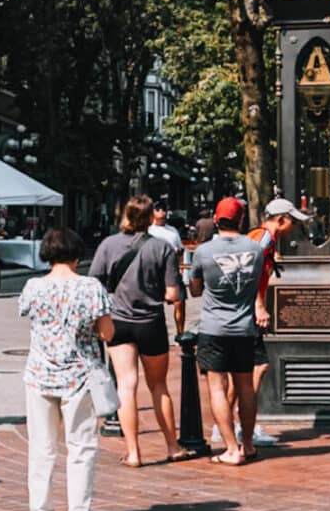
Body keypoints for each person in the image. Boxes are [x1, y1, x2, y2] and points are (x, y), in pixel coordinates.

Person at [18, 227, 113, 511]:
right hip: (79, 375)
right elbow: (107, 332)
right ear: (76, 254)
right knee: (81, 446)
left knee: (41, 447)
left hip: (40, 374)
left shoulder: (33, 286)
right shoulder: (91, 287)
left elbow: (27, 316)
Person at [89, 194, 182, 465]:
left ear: (127, 216)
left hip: (118, 321)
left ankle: (133, 452)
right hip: (150, 322)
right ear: (152, 217)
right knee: (159, 386)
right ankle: (172, 446)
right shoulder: (161, 248)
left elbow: (95, 283)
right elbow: (173, 293)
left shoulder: (108, 245)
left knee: (126, 386)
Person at [188, 196, 265, 464]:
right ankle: (248, 444)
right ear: (241, 219)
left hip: (213, 327)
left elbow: (195, 289)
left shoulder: (203, 252)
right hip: (244, 328)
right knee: (245, 386)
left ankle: (231, 448)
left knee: (217, 387)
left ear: (216, 220)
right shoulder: (255, 249)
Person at [240, 197, 302, 448]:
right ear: (281, 220)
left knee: (243, 371)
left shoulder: (262, 238)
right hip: (249, 312)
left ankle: (235, 426)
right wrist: (259, 306)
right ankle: (245, 426)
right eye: (293, 222)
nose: (294, 228)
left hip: (243, 311)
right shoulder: (263, 238)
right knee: (256, 368)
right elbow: (249, 272)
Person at [149, 200, 186, 333]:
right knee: (155, 306)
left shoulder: (173, 230)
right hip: (155, 272)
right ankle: (157, 333)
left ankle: (180, 332)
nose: (162, 212)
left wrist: (181, 265)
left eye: (164, 209)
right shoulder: (149, 230)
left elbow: (180, 250)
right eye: (158, 209)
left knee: (180, 302)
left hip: (173, 271)